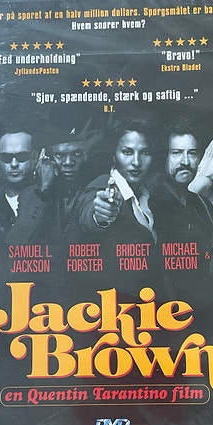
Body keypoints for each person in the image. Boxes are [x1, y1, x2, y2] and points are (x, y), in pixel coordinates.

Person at [78, 118, 157, 297]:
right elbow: (89, 213)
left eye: (145, 153)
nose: (136, 162)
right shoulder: (101, 186)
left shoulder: (147, 193)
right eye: (127, 152)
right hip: (112, 301)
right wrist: (100, 215)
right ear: (114, 155)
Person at [151, 117, 213, 301]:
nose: (185, 161)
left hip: (205, 303)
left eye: (192, 153)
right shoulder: (148, 202)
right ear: (164, 156)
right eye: (176, 153)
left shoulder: (203, 205)